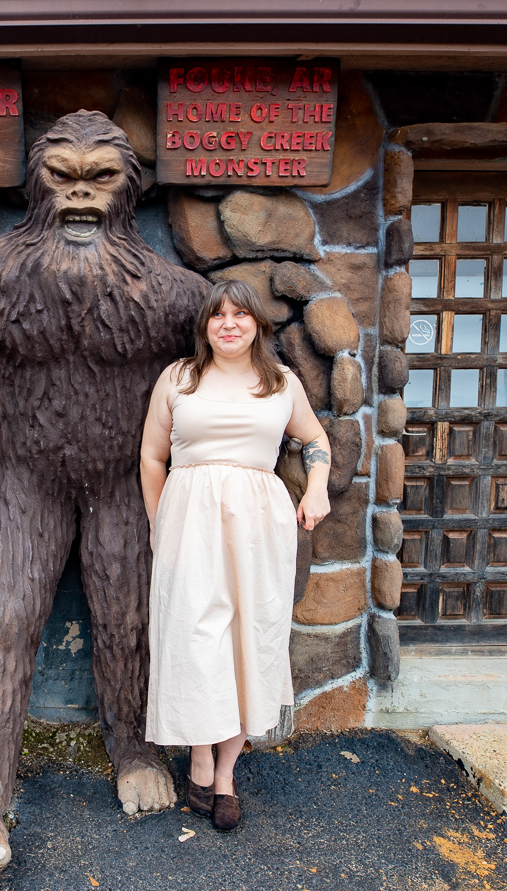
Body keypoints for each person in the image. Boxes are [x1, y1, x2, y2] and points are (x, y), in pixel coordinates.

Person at [139, 278, 331, 832]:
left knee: (251, 640)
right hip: (189, 521)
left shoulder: (280, 383)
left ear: (257, 325)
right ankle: (200, 754)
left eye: (240, 315)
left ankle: (224, 773)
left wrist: (316, 487)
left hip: (259, 525)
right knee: (197, 639)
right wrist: (158, 522)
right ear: (205, 326)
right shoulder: (178, 378)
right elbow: (153, 458)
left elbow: (315, 442)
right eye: (218, 315)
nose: (229, 323)